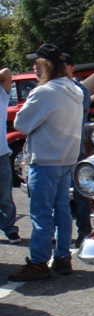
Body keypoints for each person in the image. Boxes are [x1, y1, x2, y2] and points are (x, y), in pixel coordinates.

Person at [9, 44, 84, 281]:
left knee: (41, 214)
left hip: (45, 161)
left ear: (46, 65)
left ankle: (39, 262)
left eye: (36, 63)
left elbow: (21, 124)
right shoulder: (76, 90)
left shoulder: (44, 92)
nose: (34, 67)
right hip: (66, 159)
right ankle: (63, 257)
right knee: (62, 211)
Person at [64, 53, 91, 248]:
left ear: (71, 68)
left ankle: (84, 232)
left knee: (81, 194)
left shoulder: (80, 90)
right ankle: (57, 235)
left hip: (75, 147)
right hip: (56, 151)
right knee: (58, 197)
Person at [0, 67, 22, 245]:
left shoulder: (2, 93)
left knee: (5, 196)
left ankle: (9, 229)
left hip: (1, 153)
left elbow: (7, 72)